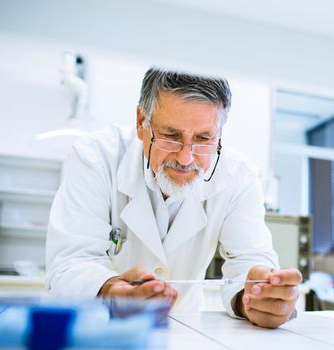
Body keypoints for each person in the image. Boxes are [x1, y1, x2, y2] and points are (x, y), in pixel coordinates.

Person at [45, 67, 302, 329]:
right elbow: (70, 265)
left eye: (204, 139)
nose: (186, 158)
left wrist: (254, 297)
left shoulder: (239, 176)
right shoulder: (96, 158)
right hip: (101, 332)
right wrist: (111, 292)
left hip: (185, 334)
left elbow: (250, 262)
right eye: (171, 136)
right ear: (141, 122)